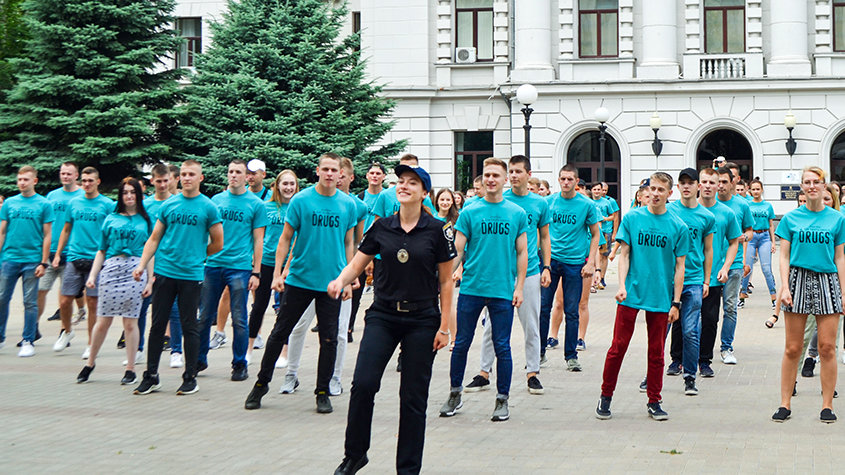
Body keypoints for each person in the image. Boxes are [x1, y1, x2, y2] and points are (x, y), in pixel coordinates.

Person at [330, 165, 455, 475]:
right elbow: (358, 264)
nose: (404, 186)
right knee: (363, 384)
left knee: (413, 397)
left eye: (412, 183)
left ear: (425, 193)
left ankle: (408, 469)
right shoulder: (381, 226)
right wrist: (340, 280)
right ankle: (355, 454)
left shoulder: (438, 231)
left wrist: (444, 327)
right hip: (383, 314)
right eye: (401, 182)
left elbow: (446, 282)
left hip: (423, 319)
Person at [244, 153, 357, 414]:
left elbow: (349, 242)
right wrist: (277, 274)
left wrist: (348, 280)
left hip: (332, 284)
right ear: (317, 171)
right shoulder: (302, 200)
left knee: (329, 339)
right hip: (299, 280)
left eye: (334, 170)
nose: (330, 174)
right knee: (279, 333)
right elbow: (285, 239)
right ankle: (261, 384)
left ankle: (322, 391)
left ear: (341, 174)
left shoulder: (346, 204)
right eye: (325, 169)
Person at [439, 157, 528, 422]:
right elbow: (457, 249)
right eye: (487, 175)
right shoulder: (470, 212)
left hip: (502, 289)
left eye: (496, 176)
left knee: (502, 346)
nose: (491, 180)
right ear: (482, 179)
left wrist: (520, 287)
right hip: (472, 288)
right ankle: (455, 393)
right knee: (461, 344)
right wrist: (444, 277)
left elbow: (522, 252)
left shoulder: (516, 213)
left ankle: (502, 400)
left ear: (504, 180)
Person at [595, 172, 688, 421]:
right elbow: (624, 254)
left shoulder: (678, 226)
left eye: (661, 190)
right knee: (618, 347)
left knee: (656, 351)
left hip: (660, 295)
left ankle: (654, 400)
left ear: (670, 194)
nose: (655, 194)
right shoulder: (633, 218)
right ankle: (606, 396)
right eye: (652, 188)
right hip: (632, 292)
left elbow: (680, 267)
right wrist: (621, 285)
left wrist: (676, 302)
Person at [132, 160, 224, 396]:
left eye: (191, 174)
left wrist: (197, 255)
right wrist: (142, 265)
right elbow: (154, 238)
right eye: (183, 174)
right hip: (164, 273)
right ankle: (151, 376)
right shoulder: (169, 205)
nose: (187, 178)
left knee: (189, 326)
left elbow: (218, 242)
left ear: (200, 178)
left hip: (191, 276)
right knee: (157, 325)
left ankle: (190, 377)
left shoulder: (209, 207)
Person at [463, 155, 550, 395]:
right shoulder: (501, 199)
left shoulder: (539, 204)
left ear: (528, 174)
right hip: (500, 273)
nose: (513, 176)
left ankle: (533, 372)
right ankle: (483, 372)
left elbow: (544, 236)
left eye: (518, 171)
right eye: (510, 171)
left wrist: (547, 266)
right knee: (492, 325)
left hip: (530, 271)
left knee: (530, 323)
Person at [281, 157, 366, 397]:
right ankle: (291, 374)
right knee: (298, 326)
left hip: (338, 277)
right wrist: (287, 266)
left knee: (338, 332)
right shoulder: (310, 200)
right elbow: (299, 239)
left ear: (347, 177)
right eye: (328, 171)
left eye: (339, 174)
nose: (334, 178)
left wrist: (352, 275)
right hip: (306, 277)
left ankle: (334, 378)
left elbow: (356, 242)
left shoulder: (355, 206)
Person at [772, 166, 845, 423]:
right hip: (798, 278)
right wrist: (785, 287)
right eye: (807, 182)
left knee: (827, 348)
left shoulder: (836, 219)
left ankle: (827, 405)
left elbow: (839, 256)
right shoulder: (791, 219)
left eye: (816, 182)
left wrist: (843, 292)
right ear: (802, 187)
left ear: (824, 186)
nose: (812, 186)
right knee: (793, 347)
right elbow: (783, 255)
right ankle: (785, 403)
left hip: (827, 279)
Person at [76, 178, 153, 384]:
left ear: (139, 195)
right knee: (103, 321)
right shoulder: (110, 218)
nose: (129, 196)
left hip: (135, 270)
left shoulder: (146, 220)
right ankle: (90, 363)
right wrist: (93, 275)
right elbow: (101, 250)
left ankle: (130, 368)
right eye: (125, 192)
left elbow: (150, 251)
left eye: (133, 192)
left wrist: (149, 281)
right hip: (111, 269)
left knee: (130, 322)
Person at [196, 160, 268, 382]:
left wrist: (256, 272)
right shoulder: (216, 201)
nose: (233, 175)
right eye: (230, 172)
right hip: (213, 265)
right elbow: (205, 232)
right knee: (204, 316)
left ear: (246, 176)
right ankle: (198, 359)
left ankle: (239, 363)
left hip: (239, 267)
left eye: (238, 172)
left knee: (239, 318)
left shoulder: (255, 204)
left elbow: (258, 240)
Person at [539, 164, 600, 371]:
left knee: (572, 310)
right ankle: (539, 351)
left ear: (576, 181)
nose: (566, 183)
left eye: (569, 179)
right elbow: (540, 231)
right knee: (544, 307)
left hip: (575, 262)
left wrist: (591, 261)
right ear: (558, 180)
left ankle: (571, 355)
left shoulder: (586, 204)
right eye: (562, 179)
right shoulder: (549, 202)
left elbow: (595, 234)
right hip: (551, 260)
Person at [52, 167, 115, 357]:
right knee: (64, 300)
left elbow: (112, 230)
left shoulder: (107, 204)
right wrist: (57, 254)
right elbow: (66, 229)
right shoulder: (74, 203)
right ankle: (67, 331)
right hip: (73, 256)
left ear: (98, 182)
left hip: (96, 258)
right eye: (84, 180)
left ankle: (90, 343)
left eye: (90, 180)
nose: (87, 184)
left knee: (93, 302)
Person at [665, 169, 714, 396]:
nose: (686, 187)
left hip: (693, 279)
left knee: (690, 331)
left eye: (690, 183)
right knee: (660, 330)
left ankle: (690, 377)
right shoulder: (669, 210)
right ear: (677, 187)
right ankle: (651, 375)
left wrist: (706, 280)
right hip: (667, 279)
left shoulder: (706, 216)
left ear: (697, 186)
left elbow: (708, 249)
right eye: (682, 183)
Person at [0, 166, 54, 356]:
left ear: (35, 181)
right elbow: (2, 231)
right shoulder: (9, 203)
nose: (22, 182)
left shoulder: (44, 204)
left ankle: (28, 340)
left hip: (32, 260)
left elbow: (47, 235)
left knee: (30, 302)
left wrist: (43, 262)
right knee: (1, 298)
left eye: (26, 179)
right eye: (20, 179)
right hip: (9, 258)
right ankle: (0, 338)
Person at [247, 170, 299, 364]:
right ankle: (249, 349)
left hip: (289, 267)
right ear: (277, 185)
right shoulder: (265, 207)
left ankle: (284, 353)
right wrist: (256, 267)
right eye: (285, 184)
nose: (288, 188)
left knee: (285, 310)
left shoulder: (298, 208)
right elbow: (258, 238)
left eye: (292, 184)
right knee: (259, 306)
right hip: (267, 264)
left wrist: (288, 266)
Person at [695, 168, 741, 378]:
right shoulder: (683, 209)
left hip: (713, 276)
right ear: (698, 184)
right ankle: (678, 360)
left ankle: (705, 361)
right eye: (703, 182)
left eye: (712, 183)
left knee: (710, 320)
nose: (707, 186)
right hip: (688, 275)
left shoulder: (726, 213)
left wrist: (725, 268)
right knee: (683, 322)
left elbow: (734, 242)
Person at [140, 164, 181, 368]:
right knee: (143, 306)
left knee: (173, 309)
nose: (163, 184)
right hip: (149, 261)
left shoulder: (177, 203)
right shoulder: (146, 205)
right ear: (152, 181)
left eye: (166, 180)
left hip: (169, 263)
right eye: (159, 181)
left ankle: (176, 350)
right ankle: (139, 348)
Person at [39, 163, 85, 329]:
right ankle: (33, 328)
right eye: (63, 173)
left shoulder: (82, 196)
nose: (65, 176)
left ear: (76, 176)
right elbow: (45, 222)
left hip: (72, 252)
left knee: (66, 294)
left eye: (69, 174)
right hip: (50, 250)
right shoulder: (52, 196)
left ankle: (66, 329)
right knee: (41, 290)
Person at [715, 166, 753, 364]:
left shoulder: (741, 205)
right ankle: (702, 347)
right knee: (707, 309)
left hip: (735, 263)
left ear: (733, 183)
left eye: (724, 182)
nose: (720, 186)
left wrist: (743, 237)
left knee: (730, 307)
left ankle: (726, 347)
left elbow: (749, 230)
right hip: (711, 264)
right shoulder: (706, 204)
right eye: (717, 182)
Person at [741, 179, 777, 311]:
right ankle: (742, 295)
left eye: (758, 189)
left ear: (762, 190)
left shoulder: (768, 205)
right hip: (751, 237)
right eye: (753, 189)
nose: (756, 192)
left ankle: (774, 297)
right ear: (750, 190)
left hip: (764, 236)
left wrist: (773, 242)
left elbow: (771, 225)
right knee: (747, 267)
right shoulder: (747, 205)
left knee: (766, 268)